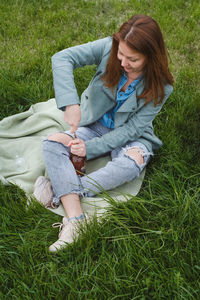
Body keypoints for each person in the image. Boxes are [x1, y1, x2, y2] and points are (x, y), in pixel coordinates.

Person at [34, 14, 174, 252]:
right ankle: (77, 221)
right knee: (52, 144)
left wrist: (90, 149)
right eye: (121, 54)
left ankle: (63, 190)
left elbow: (132, 129)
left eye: (133, 59)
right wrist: (71, 104)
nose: (123, 63)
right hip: (92, 125)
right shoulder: (108, 48)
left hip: (132, 136)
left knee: (132, 164)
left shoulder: (162, 85)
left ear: (151, 57)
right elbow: (62, 58)